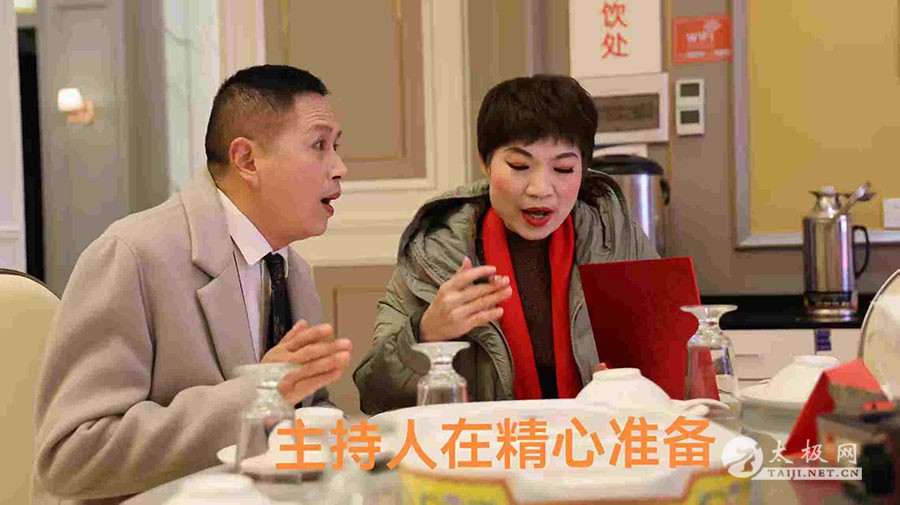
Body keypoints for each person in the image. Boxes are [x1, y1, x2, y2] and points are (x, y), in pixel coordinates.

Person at [33, 65, 352, 503]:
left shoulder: (292, 269)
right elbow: (72, 457)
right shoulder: (131, 255)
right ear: (247, 160)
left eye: (336, 147)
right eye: (319, 146)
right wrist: (258, 396)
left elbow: (305, 409)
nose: (340, 168)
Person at [353, 74, 657, 415]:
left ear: (583, 168)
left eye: (563, 168)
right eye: (519, 166)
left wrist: (632, 383)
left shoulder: (615, 236)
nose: (540, 189)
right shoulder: (437, 249)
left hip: (597, 440)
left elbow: (672, 367)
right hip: (482, 445)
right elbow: (374, 395)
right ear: (485, 163)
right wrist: (425, 333)